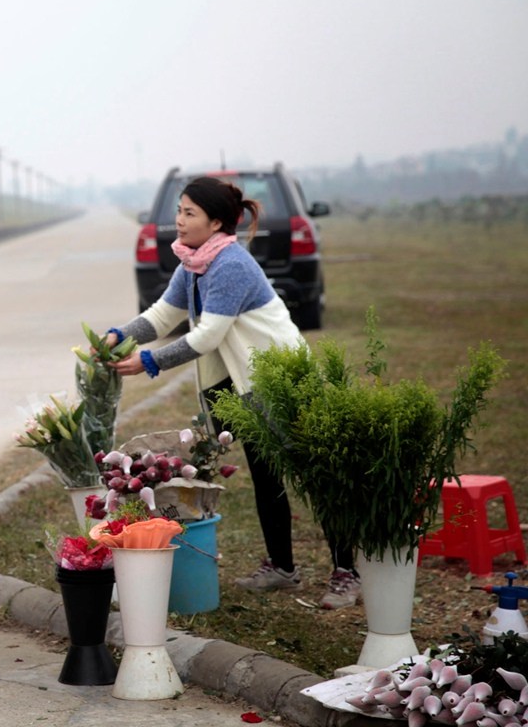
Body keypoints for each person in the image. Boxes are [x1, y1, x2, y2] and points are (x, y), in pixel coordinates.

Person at [101, 176, 361, 610]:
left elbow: (206, 337)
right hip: (240, 383)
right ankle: (282, 568)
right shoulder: (195, 264)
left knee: (314, 479)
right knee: (265, 476)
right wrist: (118, 335)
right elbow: (163, 315)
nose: (178, 221)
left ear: (216, 222)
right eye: (179, 210)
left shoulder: (230, 265)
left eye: (188, 213)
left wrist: (149, 362)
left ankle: (346, 573)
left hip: (279, 377)